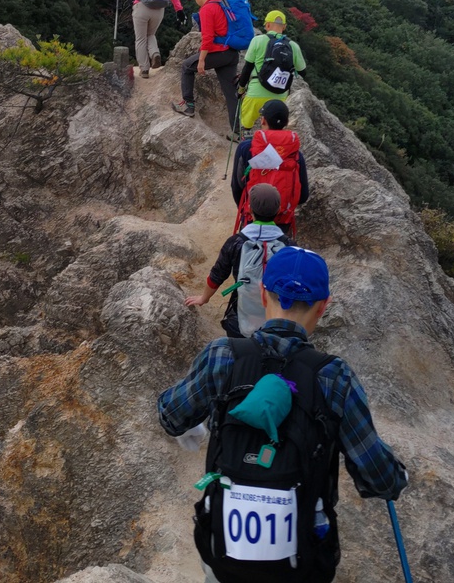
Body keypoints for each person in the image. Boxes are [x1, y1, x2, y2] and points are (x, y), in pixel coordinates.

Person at [158, 246, 408, 583]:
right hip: (302, 562)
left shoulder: (223, 355)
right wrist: (396, 477)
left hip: (223, 552)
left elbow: (171, 416)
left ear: (263, 294)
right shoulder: (334, 376)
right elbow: (379, 479)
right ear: (323, 306)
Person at [185, 184, 288, 337]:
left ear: (249, 209)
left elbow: (217, 275)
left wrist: (204, 298)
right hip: (276, 317)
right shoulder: (288, 245)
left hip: (241, 318)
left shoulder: (236, 242)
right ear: (279, 210)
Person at [232, 98, 309, 237]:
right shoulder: (295, 155)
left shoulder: (246, 148)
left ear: (263, 120)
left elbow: (237, 185)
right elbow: (303, 196)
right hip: (282, 223)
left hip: (252, 220)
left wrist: (246, 210)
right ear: (286, 123)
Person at [172, 0, 240, 132]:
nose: (195, 0)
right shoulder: (223, 4)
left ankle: (188, 105)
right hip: (232, 53)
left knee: (187, 66)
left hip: (218, 52)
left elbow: (208, 38)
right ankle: (239, 132)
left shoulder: (207, 9)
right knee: (231, 93)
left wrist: (201, 60)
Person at [237, 10, 307, 131]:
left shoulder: (257, 40)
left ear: (267, 25)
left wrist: (241, 89)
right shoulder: (293, 46)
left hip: (255, 94)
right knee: (274, 131)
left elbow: (247, 68)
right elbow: (303, 72)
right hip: (280, 98)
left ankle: (245, 140)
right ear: (284, 27)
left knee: (246, 125)